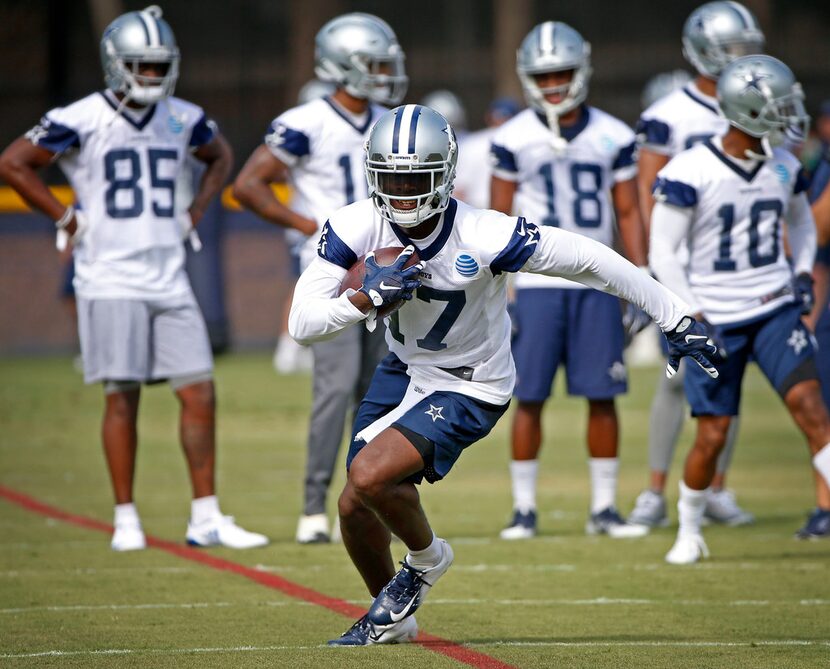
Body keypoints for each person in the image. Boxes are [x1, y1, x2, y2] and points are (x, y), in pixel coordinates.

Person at [288, 103, 720, 644]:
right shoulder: (353, 223)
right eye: (390, 178)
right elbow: (302, 322)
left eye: (414, 179)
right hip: (404, 367)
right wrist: (363, 298)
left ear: (443, 173)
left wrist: (673, 312)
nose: (401, 193)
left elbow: (589, 258)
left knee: (372, 475)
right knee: (354, 504)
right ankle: (395, 619)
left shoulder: (484, 233)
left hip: (472, 380)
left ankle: (426, 561)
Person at [0, 6, 267, 551]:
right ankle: (126, 518)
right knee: (122, 396)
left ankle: (206, 516)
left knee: (200, 390)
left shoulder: (183, 116)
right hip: (109, 276)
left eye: (158, 65)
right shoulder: (81, 116)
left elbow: (220, 156)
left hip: (168, 276)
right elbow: (13, 163)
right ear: (116, 64)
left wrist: (195, 209)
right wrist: (66, 217)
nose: (151, 75)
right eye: (141, 65)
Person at [232, 12, 408, 544]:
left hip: (387, 268)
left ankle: (370, 497)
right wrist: (308, 224)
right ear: (340, 66)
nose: (383, 73)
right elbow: (249, 184)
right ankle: (313, 506)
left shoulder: (390, 118)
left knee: (380, 390)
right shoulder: (306, 121)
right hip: (334, 271)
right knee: (334, 388)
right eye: (372, 64)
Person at [649, 54, 830, 564]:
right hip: (716, 317)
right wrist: (692, 313)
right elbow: (664, 251)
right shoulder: (690, 169)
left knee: (812, 410)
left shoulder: (785, 165)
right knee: (713, 433)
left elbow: (801, 225)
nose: (790, 114)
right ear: (748, 111)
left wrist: (802, 270)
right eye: (779, 105)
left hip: (773, 307)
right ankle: (688, 526)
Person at [490, 21, 649, 539]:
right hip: (535, 283)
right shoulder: (512, 138)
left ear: (581, 71)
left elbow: (627, 212)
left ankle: (604, 509)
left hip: (597, 281)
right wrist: (496, 282)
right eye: (544, 74)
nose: (554, 83)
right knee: (529, 395)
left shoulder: (614, 135)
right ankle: (523, 509)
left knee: (602, 394)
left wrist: (641, 276)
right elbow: (496, 217)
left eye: (562, 72)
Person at [629, 1, 765, 529]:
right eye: (734, 48)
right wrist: (647, 267)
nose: (743, 58)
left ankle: (716, 490)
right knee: (672, 378)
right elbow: (646, 191)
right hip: (680, 264)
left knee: (725, 375)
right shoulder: (669, 114)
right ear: (704, 50)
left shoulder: (758, 102)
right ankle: (655, 491)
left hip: (736, 267)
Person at [272, 79, 335, 375]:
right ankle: (289, 347)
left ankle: (305, 346)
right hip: (308, 223)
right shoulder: (305, 128)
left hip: (320, 223)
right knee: (303, 285)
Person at [453, 97, 521, 209]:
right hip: (514, 211)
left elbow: (459, 190)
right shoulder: (524, 142)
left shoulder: (471, 143)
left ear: (488, 117)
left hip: (476, 211)